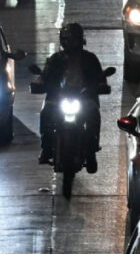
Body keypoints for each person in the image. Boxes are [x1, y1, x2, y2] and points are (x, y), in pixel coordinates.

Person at [36, 23, 106, 173]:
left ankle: (92, 150)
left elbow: (99, 77)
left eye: (72, 39)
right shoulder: (55, 59)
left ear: (80, 40)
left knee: (94, 115)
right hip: (58, 98)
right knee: (45, 114)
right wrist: (39, 83)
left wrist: (101, 85)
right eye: (66, 39)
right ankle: (46, 148)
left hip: (84, 98)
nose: (69, 43)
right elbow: (44, 75)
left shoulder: (90, 59)